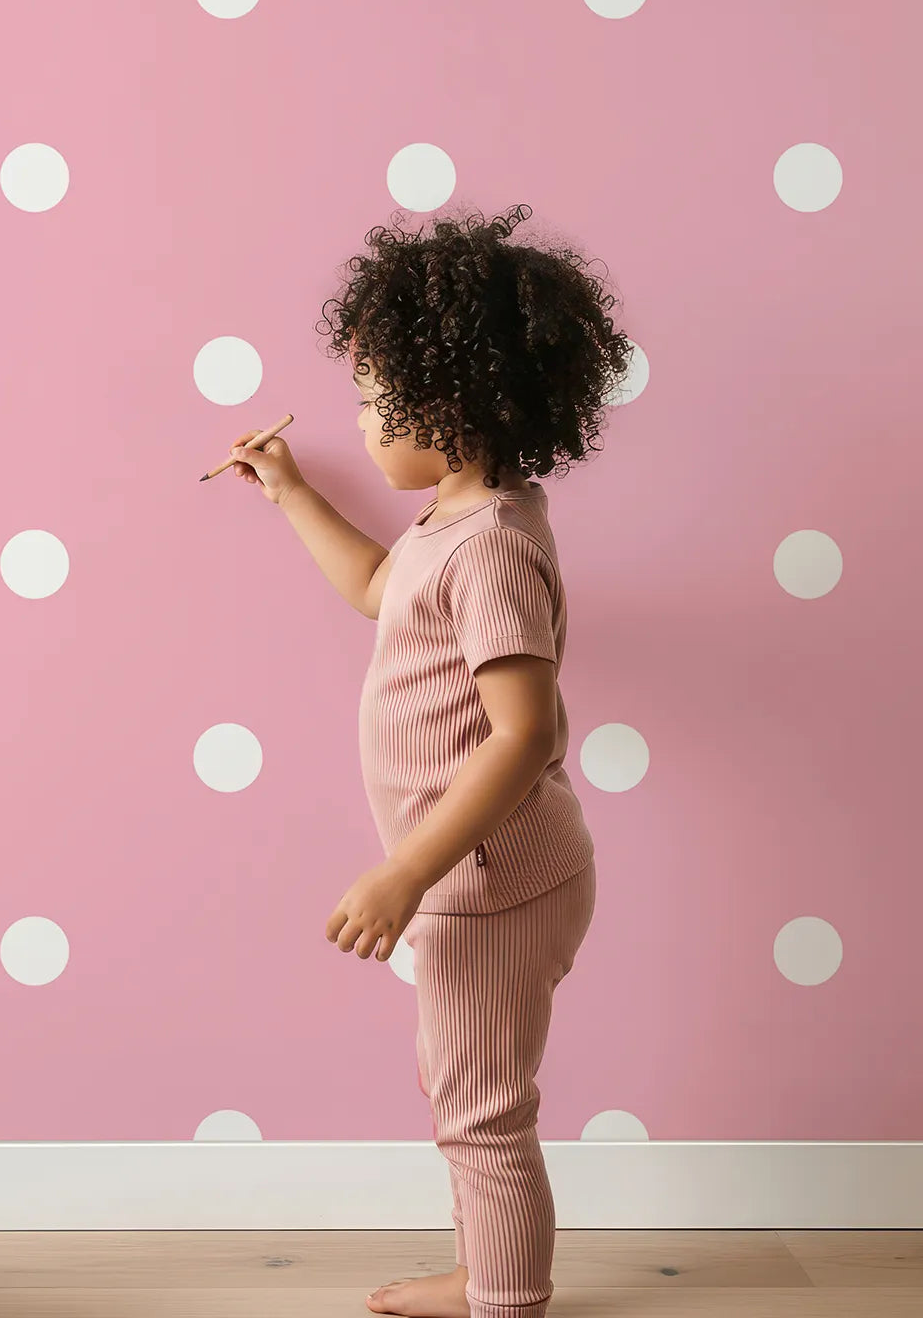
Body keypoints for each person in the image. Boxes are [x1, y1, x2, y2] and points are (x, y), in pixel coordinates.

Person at [226, 204, 631, 1318]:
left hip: (487, 880)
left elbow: (525, 733)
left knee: (480, 1103)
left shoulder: (492, 543)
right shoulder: (454, 521)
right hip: (474, 874)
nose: (357, 422)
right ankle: (484, 1266)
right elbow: (376, 593)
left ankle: (504, 1294)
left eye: (369, 401)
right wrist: (295, 492)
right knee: (461, 1084)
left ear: (449, 408)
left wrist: (405, 869)